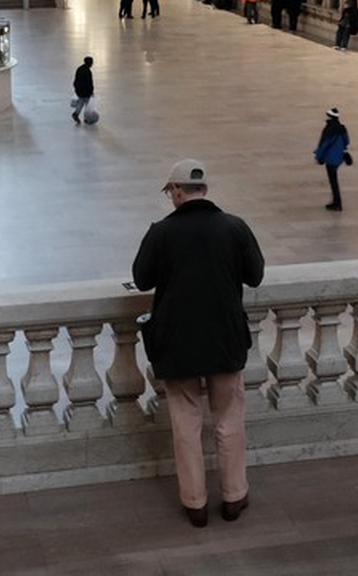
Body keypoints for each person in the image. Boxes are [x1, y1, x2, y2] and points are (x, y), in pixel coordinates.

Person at [131, 159, 265, 528]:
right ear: (204, 190)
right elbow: (255, 275)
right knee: (229, 419)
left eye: (169, 191)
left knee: (186, 423)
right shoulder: (234, 227)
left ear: (176, 191)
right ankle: (234, 496)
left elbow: (141, 279)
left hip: (177, 342)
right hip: (225, 339)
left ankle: (195, 503)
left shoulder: (160, 232)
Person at [314, 107, 352, 210]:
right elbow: (347, 141)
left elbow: (324, 145)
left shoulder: (329, 129)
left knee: (333, 181)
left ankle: (337, 203)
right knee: (334, 180)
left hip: (330, 159)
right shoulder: (342, 128)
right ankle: (336, 202)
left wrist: (318, 157)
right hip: (339, 158)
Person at [71, 55, 95, 124]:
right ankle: (87, 119)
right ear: (89, 63)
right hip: (85, 92)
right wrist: (91, 91)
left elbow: (76, 79)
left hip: (79, 90)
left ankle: (76, 114)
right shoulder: (87, 71)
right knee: (88, 105)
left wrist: (76, 88)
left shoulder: (79, 68)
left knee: (81, 103)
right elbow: (88, 83)